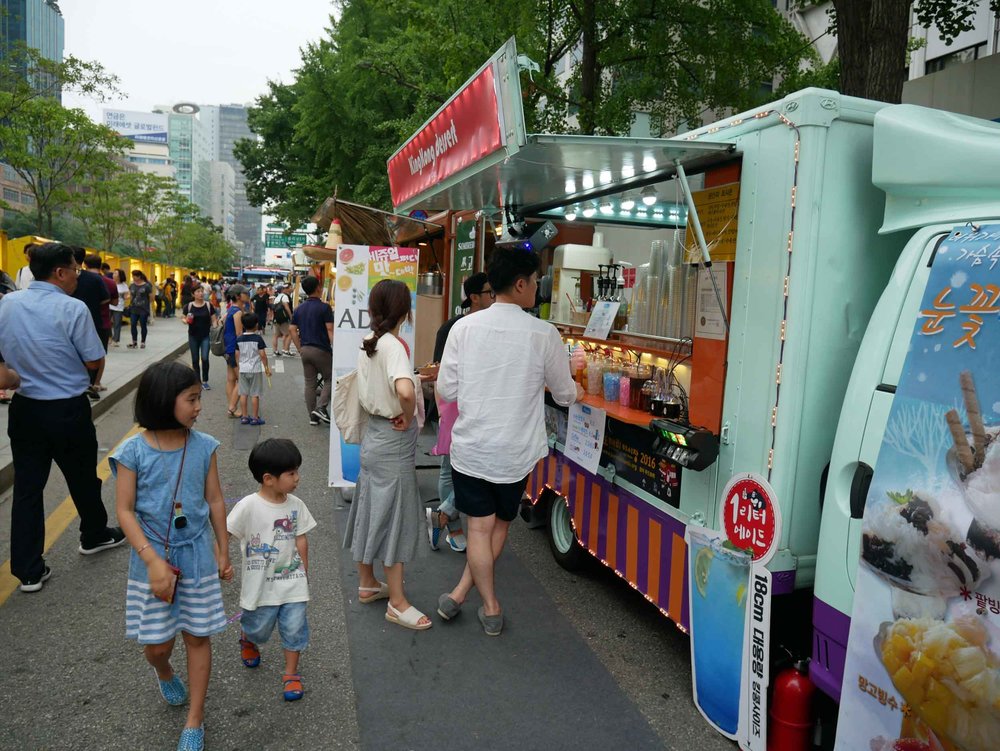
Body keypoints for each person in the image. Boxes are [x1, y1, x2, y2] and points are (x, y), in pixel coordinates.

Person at [436, 248, 583, 636]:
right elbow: (565, 394)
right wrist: (579, 388)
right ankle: (489, 604)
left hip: (473, 450)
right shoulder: (543, 333)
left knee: (479, 530)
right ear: (520, 284)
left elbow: (447, 388)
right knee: (499, 524)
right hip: (516, 453)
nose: (538, 288)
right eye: (535, 281)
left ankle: (466, 593)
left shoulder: (463, 329)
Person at [111, 361, 233, 751]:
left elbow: (214, 499)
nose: (199, 407)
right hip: (153, 559)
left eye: (199, 398)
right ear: (165, 401)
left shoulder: (204, 446)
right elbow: (125, 511)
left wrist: (223, 550)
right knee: (157, 646)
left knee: (198, 637)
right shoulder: (132, 451)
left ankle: (194, 720)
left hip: (196, 554)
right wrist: (151, 561)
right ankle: (164, 672)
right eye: (192, 399)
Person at [0, 242, 126, 593]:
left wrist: (16, 375)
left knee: (28, 488)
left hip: (25, 409)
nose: (77, 274)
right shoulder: (72, 309)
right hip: (68, 408)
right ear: (60, 272)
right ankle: (94, 534)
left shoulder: (6, 304)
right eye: (74, 268)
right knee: (83, 477)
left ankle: (28, 570)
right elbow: (92, 359)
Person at [343, 279, 430, 631]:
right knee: (396, 516)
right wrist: (408, 415)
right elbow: (405, 391)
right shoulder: (394, 345)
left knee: (369, 506)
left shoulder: (371, 342)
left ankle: (367, 582)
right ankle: (397, 601)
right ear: (404, 311)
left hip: (373, 438)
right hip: (392, 441)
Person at [227, 439, 316, 702]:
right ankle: (248, 637)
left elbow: (301, 538)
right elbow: (228, 530)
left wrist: (304, 571)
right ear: (268, 478)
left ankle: (290, 673)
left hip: (292, 582)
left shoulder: (296, 505)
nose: (297, 478)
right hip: (260, 584)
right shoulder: (248, 506)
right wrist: (223, 560)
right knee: (259, 627)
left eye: (297, 471)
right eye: (291, 473)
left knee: (294, 626)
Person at [425, 273, 493, 553]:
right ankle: (454, 528)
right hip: (454, 406)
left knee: (482, 470)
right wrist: (442, 411)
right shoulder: (452, 327)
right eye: (489, 292)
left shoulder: (494, 327)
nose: (494, 297)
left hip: (484, 407)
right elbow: (439, 370)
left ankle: (442, 514)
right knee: (448, 469)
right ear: (474, 297)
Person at [290, 275, 333, 426]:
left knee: (310, 383)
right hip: (321, 349)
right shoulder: (325, 307)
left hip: (305, 350)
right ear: (318, 288)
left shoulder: (298, 309)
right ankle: (321, 407)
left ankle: (313, 417)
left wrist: (299, 348)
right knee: (330, 378)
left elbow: (292, 330)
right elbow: (330, 330)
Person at [71, 248, 111, 399]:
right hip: (94, 321)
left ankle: (82, 383)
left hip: (74, 322)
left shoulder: (65, 278)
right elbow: (105, 299)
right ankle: (90, 383)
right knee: (92, 354)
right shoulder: (96, 279)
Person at [84, 253, 118, 391]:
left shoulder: (80, 280)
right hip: (103, 322)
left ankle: (85, 381)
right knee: (100, 353)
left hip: (85, 322)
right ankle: (96, 382)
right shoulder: (110, 282)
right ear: (101, 265)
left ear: (85, 265)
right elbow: (115, 302)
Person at [235, 312, 270, 426]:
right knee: (255, 394)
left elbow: (237, 354)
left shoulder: (239, 339)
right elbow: (263, 355)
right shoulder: (258, 339)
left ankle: (245, 416)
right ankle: (255, 418)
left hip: (243, 369)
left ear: (243, 325)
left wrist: (239, 365)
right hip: (255, 369)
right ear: (256, 325)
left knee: (243, 393)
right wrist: (266, 368)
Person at [183, 284, 218, 391]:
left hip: (205, 336)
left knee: (205, 358)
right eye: (198, 291)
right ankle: (197, 380)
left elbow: (214, 319)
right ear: (193, 294)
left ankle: (205, 381)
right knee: (195, 359)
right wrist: (186, 321)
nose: (201, 293)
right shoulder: (188, 306)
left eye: (202, 291)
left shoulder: (208, 305)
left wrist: (216, 328)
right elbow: (184, 318)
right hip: (193, 336)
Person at [223, 284, 250, 418]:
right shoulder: (238, 312)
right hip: (236, 349)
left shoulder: (230, 310)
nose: (248, 296)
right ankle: (232, 408)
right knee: (242, 380)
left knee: (231, 379)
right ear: (239, 296)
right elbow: (239, 333)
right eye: (245, 294)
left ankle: (232, 406)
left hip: (228, 348)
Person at [128, 269, 153, 349]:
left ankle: (143, 342)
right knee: (133, 324)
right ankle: (134, 342)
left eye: (134, 276)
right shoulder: (132, 285)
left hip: (143, 309)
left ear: (139, 276)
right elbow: (131, 295)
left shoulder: (147, 286)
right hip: (134, 308)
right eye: (133, 276)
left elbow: (151, 297)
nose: (133, 278)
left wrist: (148, 305)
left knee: (143, 325)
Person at [271, 283, 294, 357]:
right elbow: (287, 308)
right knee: (289, 334)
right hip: (283, 319)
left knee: (275, 335)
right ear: (283, 290)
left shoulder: (277, 297)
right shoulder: (285, 297)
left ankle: (275, 351)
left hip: (276, 319)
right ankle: (286, 350)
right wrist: (291, 317)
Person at [110, 269, 129, 347]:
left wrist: (125, 296)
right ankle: (109, 337)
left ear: (120, 275)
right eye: (114, 273)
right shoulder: (110, 283)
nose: (113, 274)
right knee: (107, 322)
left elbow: (127, 295)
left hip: (119, 306)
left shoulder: (124, 285)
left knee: (117, 323)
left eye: (115, 273)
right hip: (109, 305)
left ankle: (116, 340)